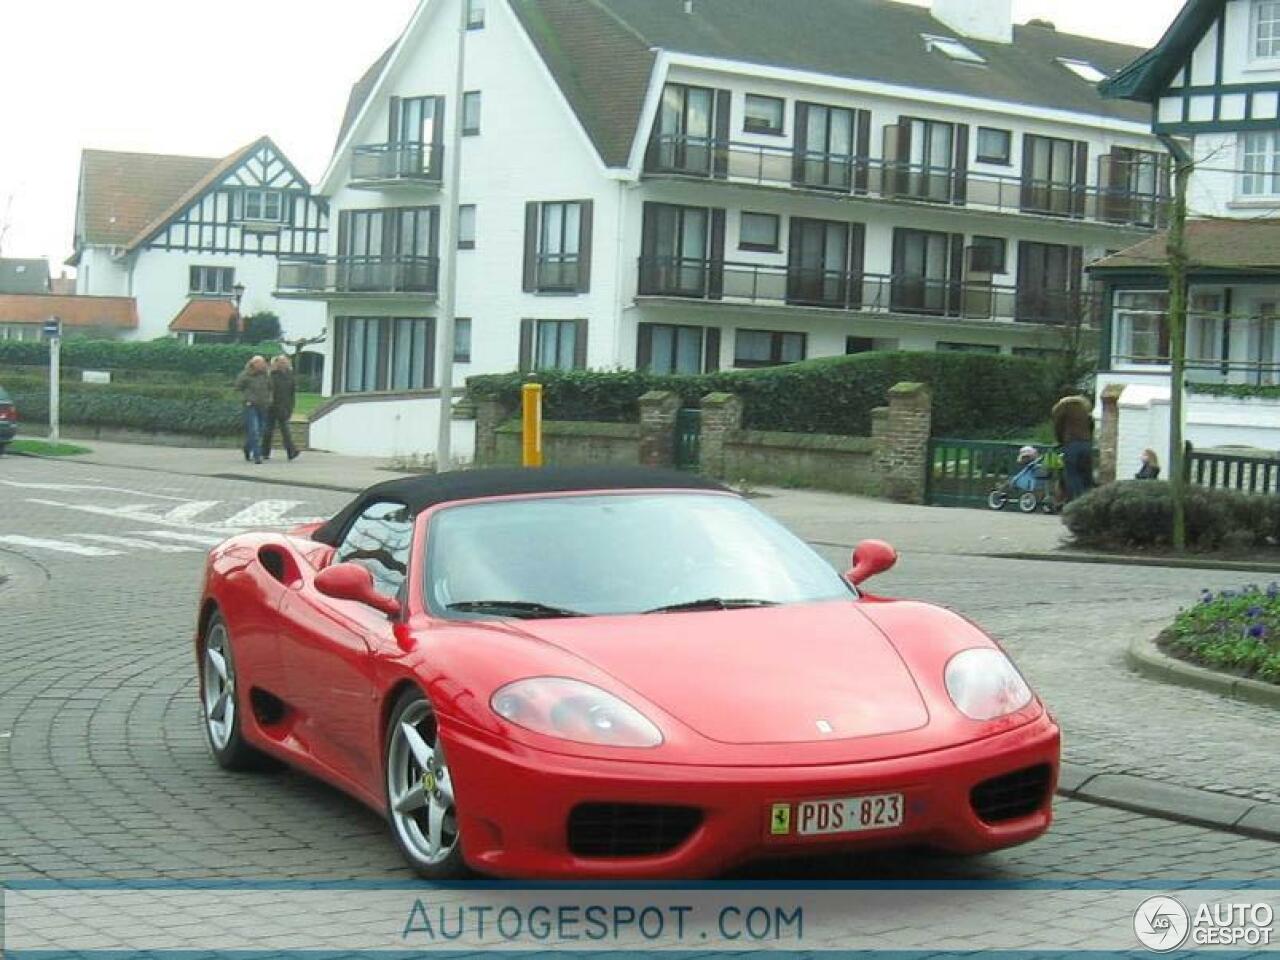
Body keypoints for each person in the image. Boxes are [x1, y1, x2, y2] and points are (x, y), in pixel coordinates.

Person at [1051, 394, 1095, 503]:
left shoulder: (1062, 409)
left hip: (1071, 443)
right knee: (1086, 475)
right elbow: (1091, 425)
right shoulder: (1084, 411)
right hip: (1086, 444)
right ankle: (1089, 500)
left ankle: (1077, 501)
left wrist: (1060, 440)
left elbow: (1058, 427)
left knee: (1072, 474)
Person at [262, 354, 300, 461]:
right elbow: (267, 390)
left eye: (285, 362)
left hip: (284, 407)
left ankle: (291, 451)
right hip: (272, 407)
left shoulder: (290, 376)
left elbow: (292, 393)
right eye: (282, 362)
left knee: (285, 430)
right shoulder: (271, 375)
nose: (284, 364)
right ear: (277, 363)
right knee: (268, 430)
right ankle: (265, 451)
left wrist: (291, 406)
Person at [235, 355, 271, 464]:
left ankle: (247, 447)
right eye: (260, 363)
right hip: (250, 406)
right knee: (254, 430)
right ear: (253, 364)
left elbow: (270, 387)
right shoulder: (245, 375)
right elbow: (237, 387)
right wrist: (246, 399)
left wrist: (269, 399)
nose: (263, 365)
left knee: (261, 430)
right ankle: (257, 455)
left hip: (263, 406)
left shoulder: (266, 375)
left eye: (263, 363)